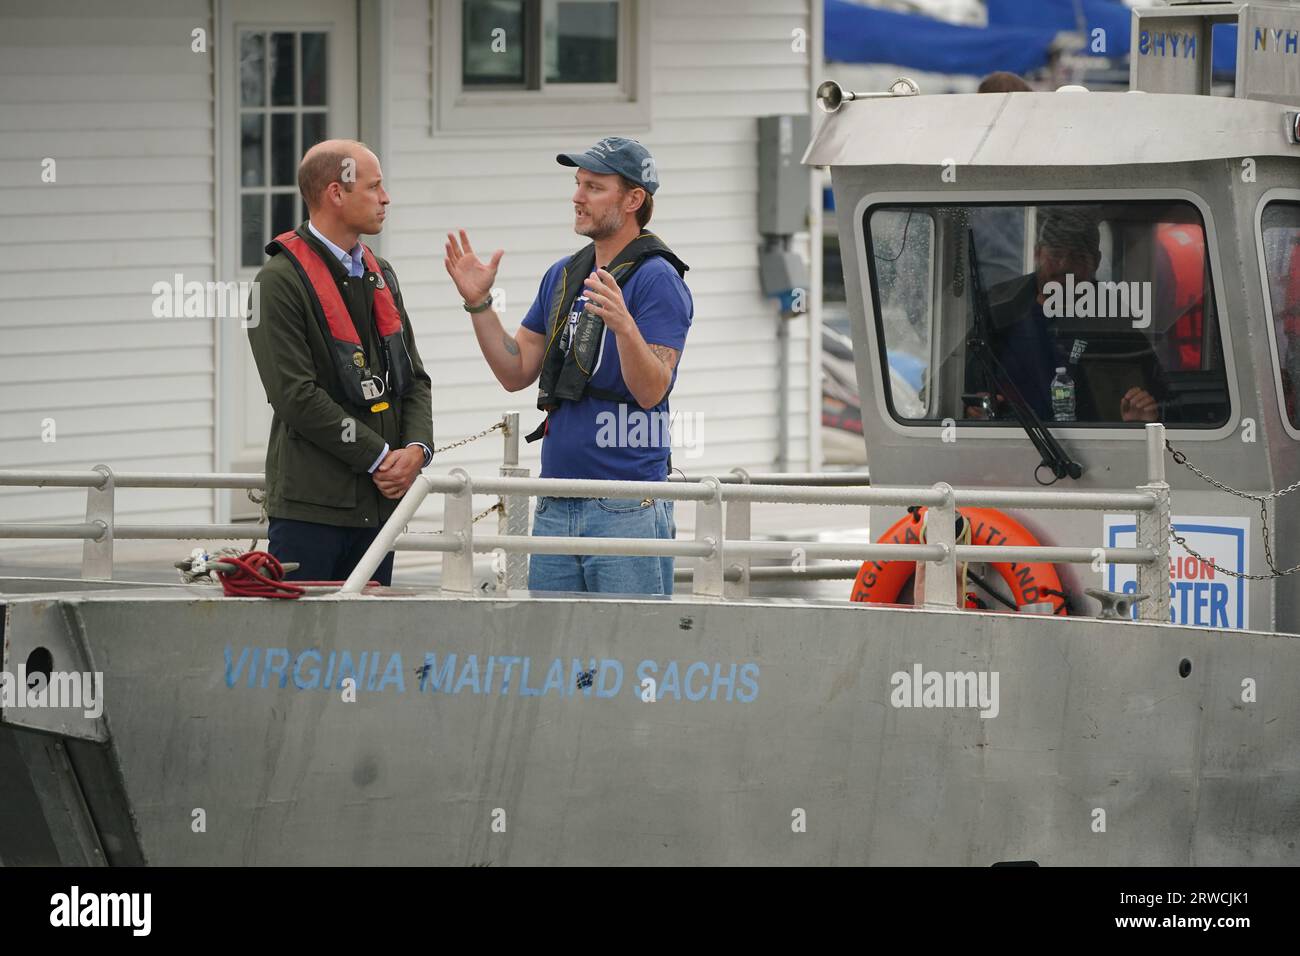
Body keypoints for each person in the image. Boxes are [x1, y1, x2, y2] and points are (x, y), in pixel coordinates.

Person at [444, 137, 693, 595]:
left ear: (634, 199)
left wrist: (624, 328)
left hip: (626, 505)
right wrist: (479, 304)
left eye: (594, 187)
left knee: (631, 655)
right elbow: (515, 371)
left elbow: (651, 390)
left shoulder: (658, 279)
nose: (577, 197)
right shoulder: (563, 274)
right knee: (558, 656)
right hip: (555, 501)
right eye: (578, 184)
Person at [247, 139, 434, 586]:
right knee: (301, 651)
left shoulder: (381, 274)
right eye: (374, 187)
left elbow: (415, 379)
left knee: (368, 651)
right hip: (311, 511)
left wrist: (415, 452)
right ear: (336, 193)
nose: (386, 198)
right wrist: (380, 457)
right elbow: (295, 396)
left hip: (380, 508)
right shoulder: (277, 281)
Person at [965, 208, 1159, 423]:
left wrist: (1139, 420)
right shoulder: (997, 310)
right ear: (1038, 254)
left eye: (1078, 256)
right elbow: (964, 382)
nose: (1066, 265)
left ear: (1095, 261)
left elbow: (1152, 399)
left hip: (1096, 447)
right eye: (1056, 254)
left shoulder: (1117, 323)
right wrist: (974, 409)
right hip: (1005, 443)